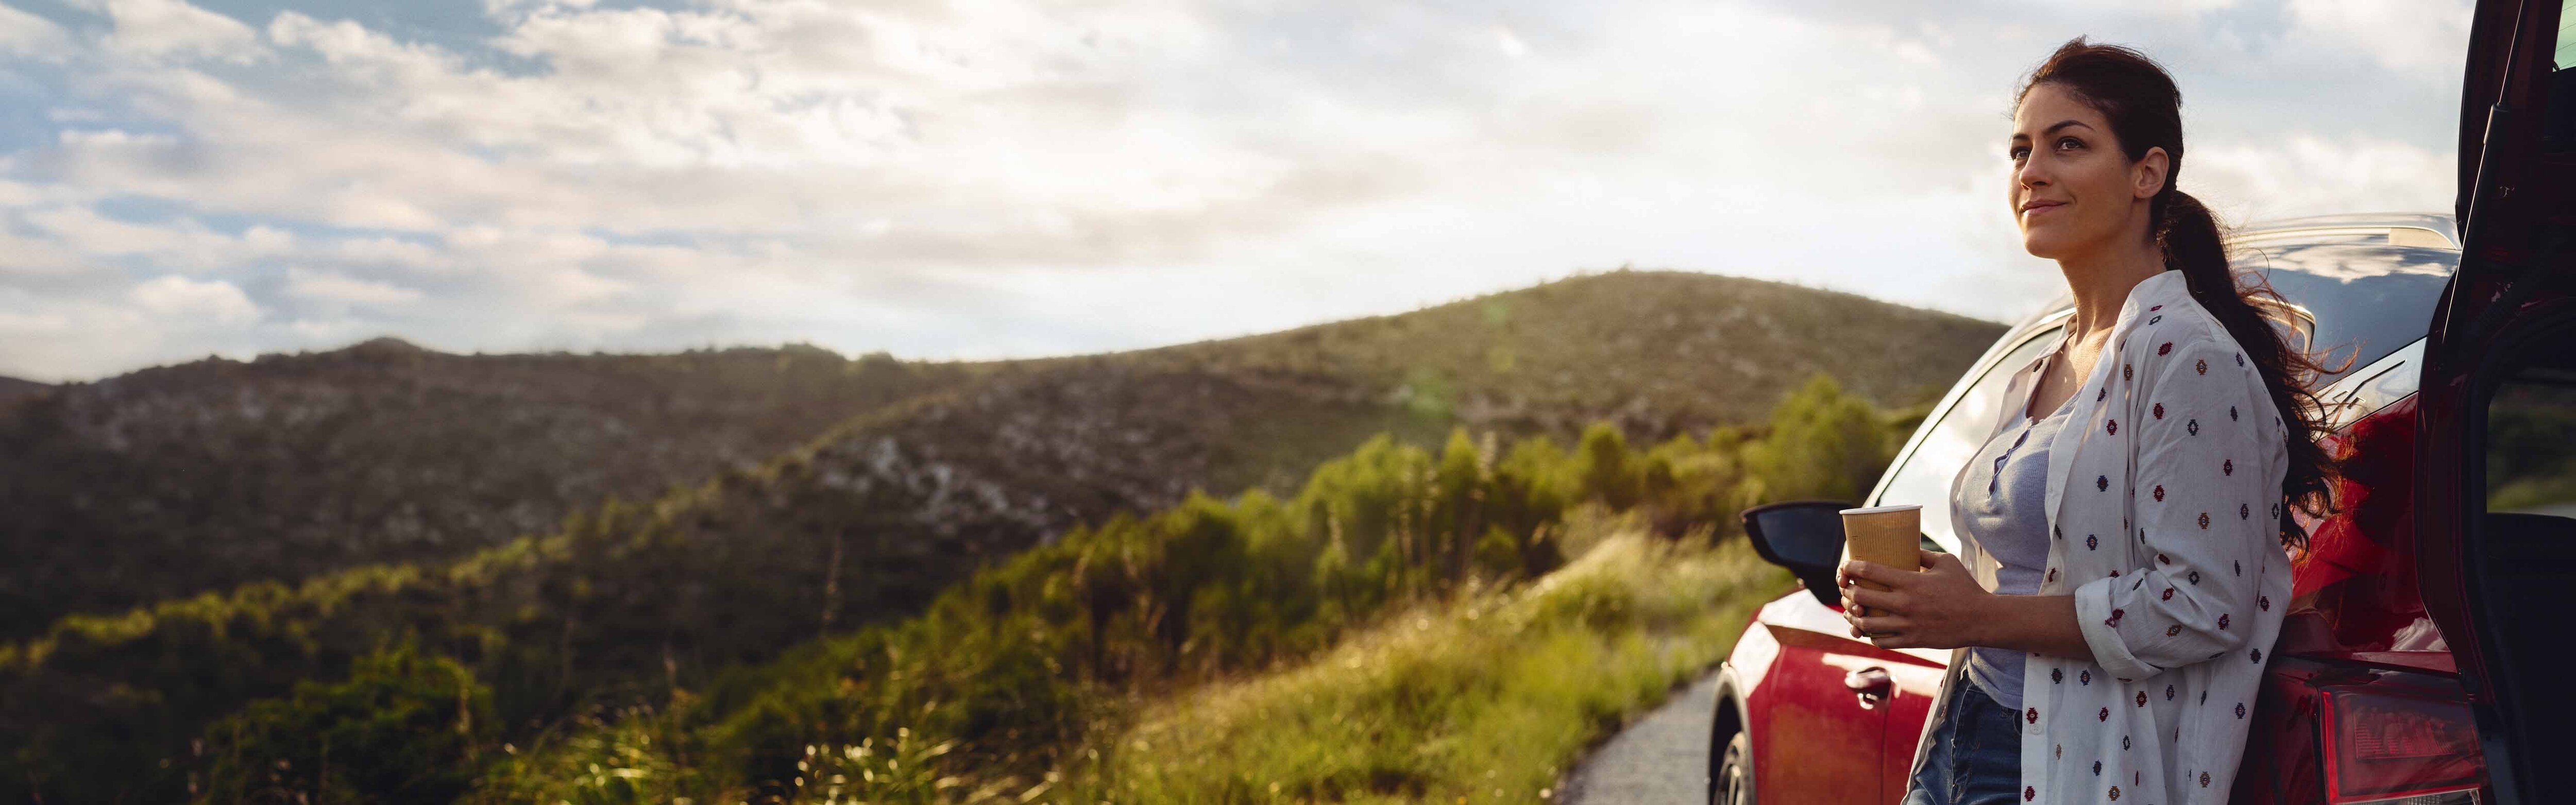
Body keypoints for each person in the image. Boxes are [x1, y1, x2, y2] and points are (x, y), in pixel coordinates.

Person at [1833, 37, 2346, 805]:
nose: (2030, 172)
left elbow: (2202, 607)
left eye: (2067, 145)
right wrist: (1924, 592)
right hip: (1963, 728)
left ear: (2148, 172)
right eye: (2020, 150)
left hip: (2076, 765)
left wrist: (1983, 615)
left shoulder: (2187, 356)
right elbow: (2031, 572)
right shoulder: (2043, 363)